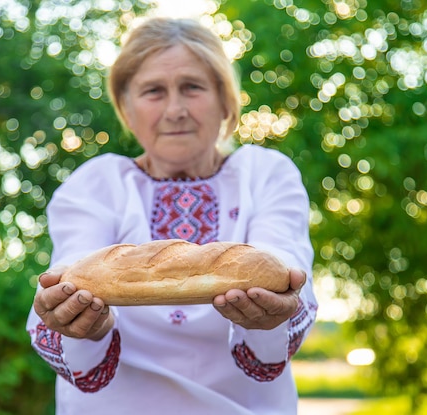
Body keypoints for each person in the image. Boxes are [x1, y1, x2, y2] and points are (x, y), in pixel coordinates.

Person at [26, 16, 318, 415]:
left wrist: (270, 312)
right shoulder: (97, 184)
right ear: (126, 106)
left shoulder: (265, 174)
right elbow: (71, 272)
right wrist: (81, 322)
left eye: (192, 87)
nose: (175, 110)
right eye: (153, 91)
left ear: (225, 100)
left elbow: (282, 263)